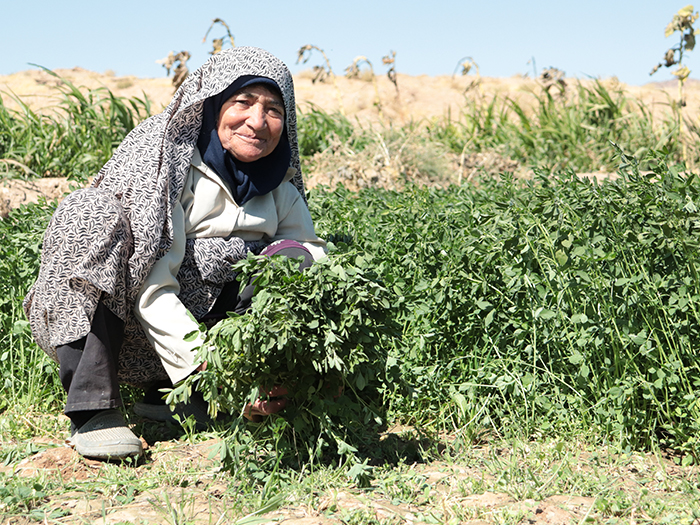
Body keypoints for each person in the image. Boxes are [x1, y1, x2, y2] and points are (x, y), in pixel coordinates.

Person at [23, 47, 326, 460]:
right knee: (90, 213)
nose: (258, 122)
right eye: (242, 102)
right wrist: (204, 363)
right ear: (214, 103)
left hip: (187, 346)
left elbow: (306, 272)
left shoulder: (280, 189)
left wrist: (270, 372)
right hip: (120, 322)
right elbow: (151, 284)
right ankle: (92, 408)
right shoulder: (167, 163)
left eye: (273, 109)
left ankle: (168, 396)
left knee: (299, 259)